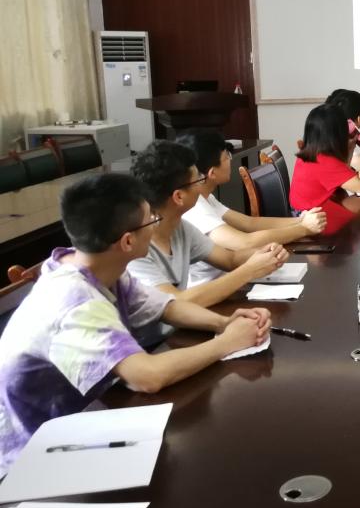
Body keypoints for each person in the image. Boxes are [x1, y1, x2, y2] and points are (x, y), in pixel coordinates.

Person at [0, 173, 271, 475]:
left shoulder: (96, 265)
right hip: (32, 459)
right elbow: (147, 376)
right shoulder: (75, 302)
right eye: (150, 220)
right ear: (128, 241)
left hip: (84, 422)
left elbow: (166, 306)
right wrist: (227, 342)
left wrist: (224, 322)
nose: (156, 223)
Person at [128, 141, 289, 306]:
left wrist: (265, 253)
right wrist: (249, 271)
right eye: (197, 180)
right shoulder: (135, 249)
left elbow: (229, 259)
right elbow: (175, 303)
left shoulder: (180, 228)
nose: (201, 184)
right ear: (178, 196)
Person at [177, 130, 327, 284]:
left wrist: (301, 220)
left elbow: (249, 223)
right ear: (212, 173)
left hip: (228, 282)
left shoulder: (205, 197)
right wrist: (303, 229)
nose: (230, 160)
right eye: (226, 157)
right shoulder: (195, 209)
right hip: (213, 289)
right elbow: (244, 243)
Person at [290, 104, 360, 235]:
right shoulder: (324, 161)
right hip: (314, 219)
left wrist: (351, 148)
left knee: (348, 196)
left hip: (304, 211)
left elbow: (345, 172)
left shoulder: (312, 153)